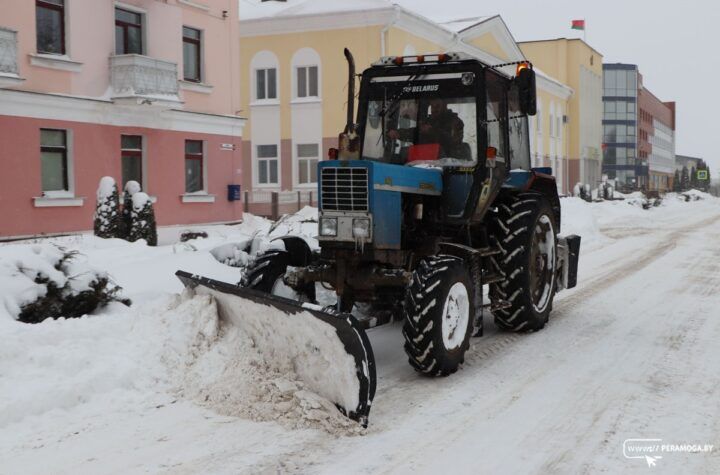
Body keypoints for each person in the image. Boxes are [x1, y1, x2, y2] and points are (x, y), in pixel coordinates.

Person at [387, 98, 469, 160]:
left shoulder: (455, 121)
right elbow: (415, 133)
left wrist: (431, 131)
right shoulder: (429, 121)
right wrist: (398, 133)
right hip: (425, 162)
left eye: (437, 106)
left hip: (447, 164)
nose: (434, 109)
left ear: (445, 106)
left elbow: (452, 140)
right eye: (432, 107)